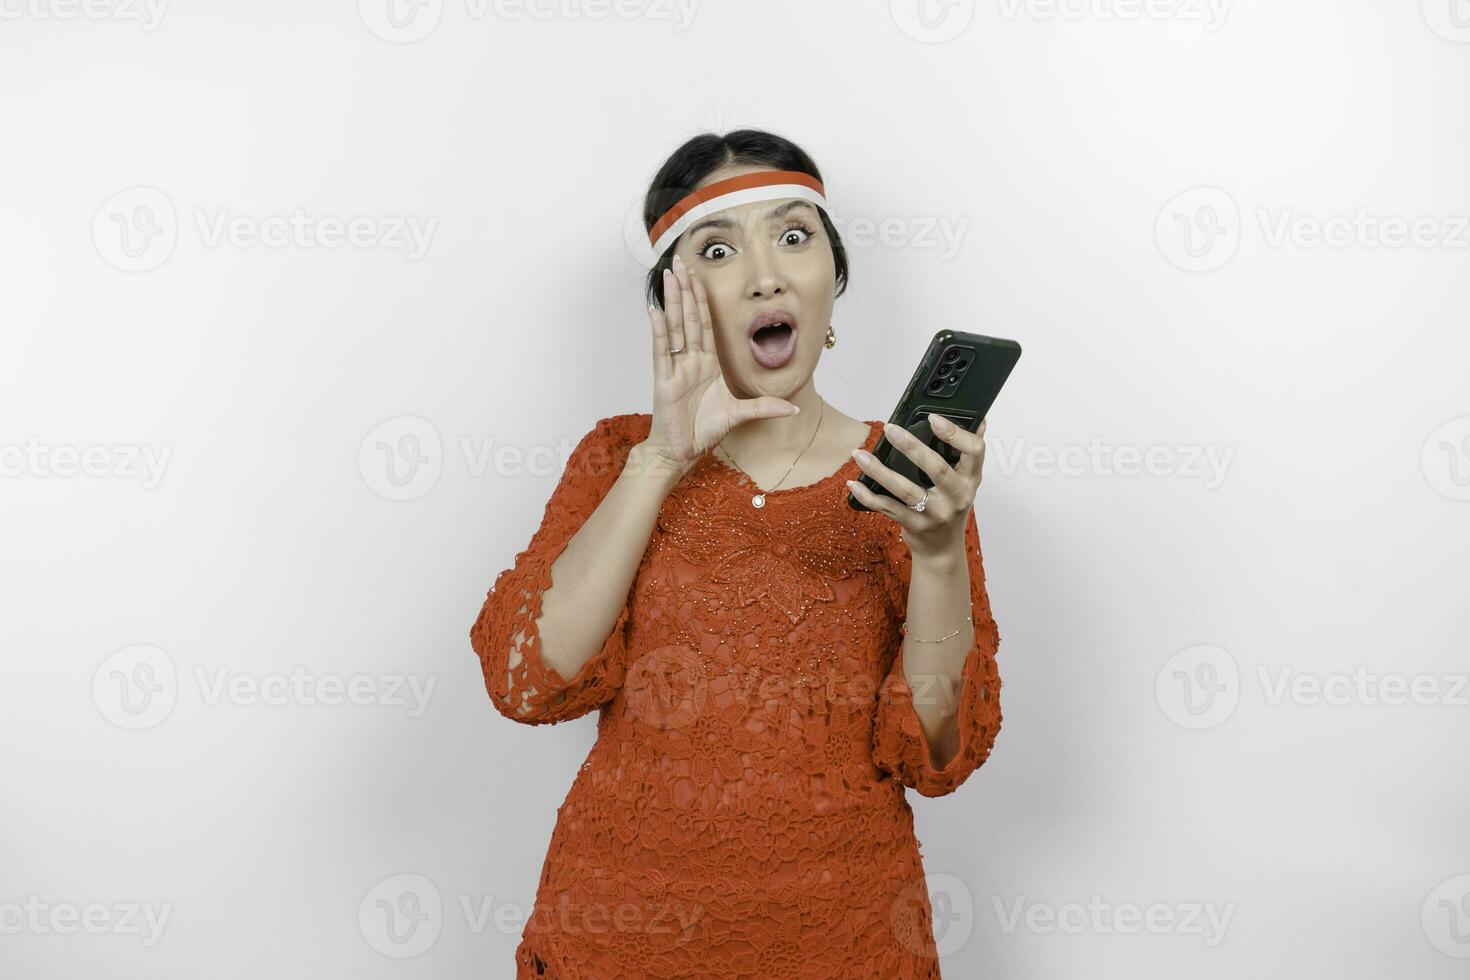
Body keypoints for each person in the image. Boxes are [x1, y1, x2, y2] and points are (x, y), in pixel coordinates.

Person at [470, 128, 1003, 978]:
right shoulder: (618, 459)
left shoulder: (910, 484)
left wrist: (938, 555)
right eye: (719, 249)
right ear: (675, 298)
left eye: (794, 236)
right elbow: (528, 681)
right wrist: (663, 456)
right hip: (620, 939)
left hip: (845, 939)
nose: (765, 273)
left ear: (833, 275)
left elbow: (936, 754)